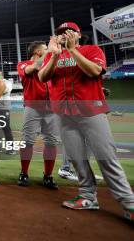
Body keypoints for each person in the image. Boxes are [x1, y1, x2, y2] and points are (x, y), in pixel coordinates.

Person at [38, 22, 133, 223]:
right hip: (64, 113)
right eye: (60, 33)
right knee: (76, 157)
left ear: (78, 35)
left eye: (68, 32)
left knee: (106, 157)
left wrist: (73, 51)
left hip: (91, 111)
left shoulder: (92, 49)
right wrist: (54, 55)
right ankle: (88, 196)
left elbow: (94, 71)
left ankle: (128, 203)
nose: (64, 35)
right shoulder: (52, 55)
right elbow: (42, 76)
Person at [17, 41, 60, 189]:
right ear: (37, 52)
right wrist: (51, 51)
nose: (49, 50)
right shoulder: (23, 64)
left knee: (52, 143)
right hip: (33, 107)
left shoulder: (51, 63)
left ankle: (48, 175)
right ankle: (24, 173)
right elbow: (34, 68)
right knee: (27, 141)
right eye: (45, 49)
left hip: (52, 108)